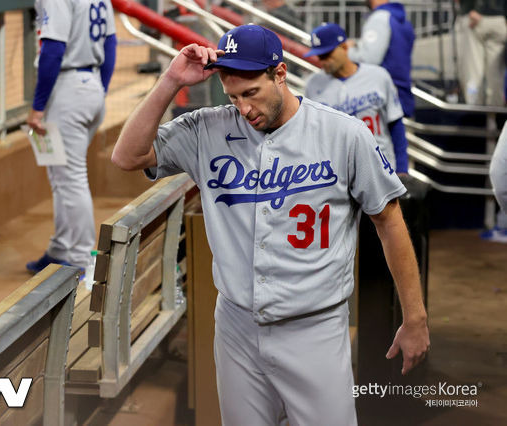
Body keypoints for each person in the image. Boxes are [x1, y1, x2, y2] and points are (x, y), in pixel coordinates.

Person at [111, 25, 429, 425]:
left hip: (315, 326)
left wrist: (414, 317)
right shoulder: (207, 130)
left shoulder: (342, 134)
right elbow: (127, 156)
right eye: (232, 96)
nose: (243, 108)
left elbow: (390, 222)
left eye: (251, 93)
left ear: (280, 74)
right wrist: (171, 80)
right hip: (237, 328)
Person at [26, 0, 117, 274]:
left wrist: (37, 107)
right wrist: (99, 91)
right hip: (90, 86)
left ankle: (81, 260)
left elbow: (53, 50)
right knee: (61, 176)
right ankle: (60, 248)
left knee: (72, 177)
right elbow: (111, 45)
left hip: (66, 90)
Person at [304, 23, 408, 174]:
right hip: (338, 173)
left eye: (327, 54)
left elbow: (395, 124)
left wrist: (402, 168)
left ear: (344, 47)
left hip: (381, 168)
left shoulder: (378, 76)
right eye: (320, 56)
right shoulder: (313, 85)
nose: (323, 61)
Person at [347, 0, 415, 117]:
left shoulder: (379, 18)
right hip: (400, 93)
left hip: (382, 96)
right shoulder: (401, 19)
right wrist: (358, 44)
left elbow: (368, 59)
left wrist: (345, 51)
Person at [454, 0, 507, 105]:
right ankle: (494, 116)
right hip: (500, 19)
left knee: (472, 73)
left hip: (475, 18)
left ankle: (475, 110)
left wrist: (478, 8)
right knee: (496, 74)